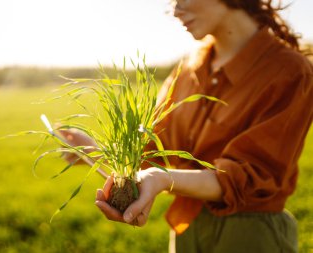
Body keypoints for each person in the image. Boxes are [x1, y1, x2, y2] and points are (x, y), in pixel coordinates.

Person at [59, 0, 313, 252]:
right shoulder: (188, 69)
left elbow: (247, 176)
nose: (175, 11)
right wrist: (96, 151)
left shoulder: (290, 72)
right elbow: (148, 150)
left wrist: (161, 178)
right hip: (185, 228)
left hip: (250, 234)